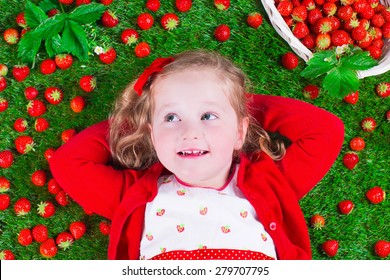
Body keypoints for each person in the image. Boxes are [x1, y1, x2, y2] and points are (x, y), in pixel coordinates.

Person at [49, 50, 344, 260]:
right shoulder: (136, 194)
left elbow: (326, 132)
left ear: (240, 132)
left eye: (207, 115)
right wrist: (138, 119)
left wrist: (237, 107)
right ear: (152, 133)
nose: (190, 131)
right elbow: (69, 163)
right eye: (172, 118)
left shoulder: (271, 183)